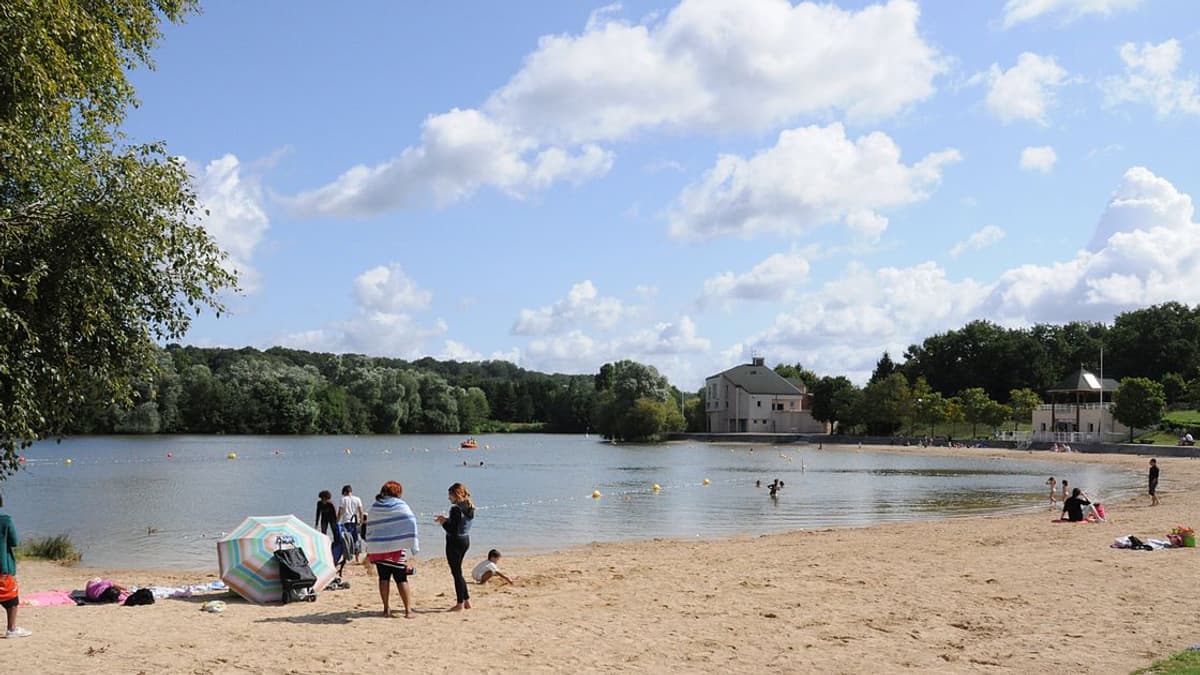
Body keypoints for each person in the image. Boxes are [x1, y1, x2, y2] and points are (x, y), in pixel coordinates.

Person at [365, 481, 419, 618]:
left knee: (384, 578)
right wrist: (408, 539)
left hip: (379, 549)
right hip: (396, 548)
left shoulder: (376, 507)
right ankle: (408, 611)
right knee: (401, 578)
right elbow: (410, 519)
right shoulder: (400, 505)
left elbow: (370, 525)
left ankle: (386, 609)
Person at [434, 482, 475, 611]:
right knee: (458, 571)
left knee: (456, 573)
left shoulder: (456, 508)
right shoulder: (468, 507)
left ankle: (460, 603)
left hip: (455, 542)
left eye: (450, 496)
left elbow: (453, 529)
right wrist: (447, 520)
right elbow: (459, 523)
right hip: (465, 540)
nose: (448, 498)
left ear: (456, 495)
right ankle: (466, 600)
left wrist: (443, 522)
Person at [0, 494, 31, 638]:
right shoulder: (5, 520)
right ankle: (11, 629)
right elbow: (14, 541)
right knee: (11, 598)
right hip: (2, 567)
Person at [337, 485, 365, 563]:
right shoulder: (357, 499)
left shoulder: (343, 499)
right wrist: (361, 521)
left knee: (346, 540)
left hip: (346, 521)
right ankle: (357, 558)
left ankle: (345, 558)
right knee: (356, 539)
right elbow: (361, 511)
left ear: (345, 492)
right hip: (355, 522)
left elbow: (340, 512)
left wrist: (336, 521)